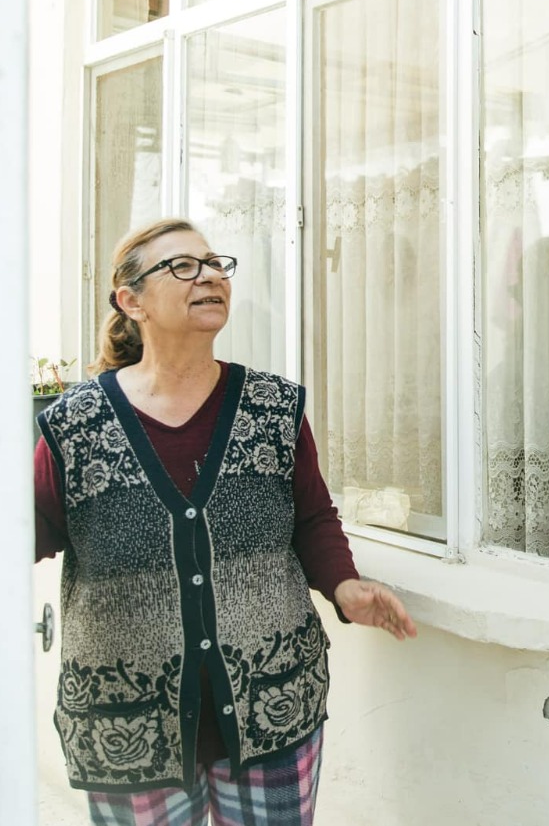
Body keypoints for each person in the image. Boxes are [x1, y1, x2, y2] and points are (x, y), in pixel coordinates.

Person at [34, 218, 417, 825]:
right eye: (182, 266)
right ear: (130, 301)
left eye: (215, 263)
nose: (210, 275)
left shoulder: (273, 408)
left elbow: (312, 516)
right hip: (128, 727)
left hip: (272, 706)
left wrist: (346, 588)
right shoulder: (75, 426)